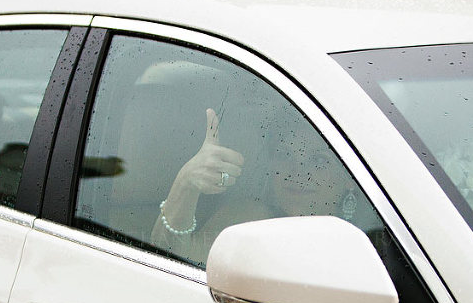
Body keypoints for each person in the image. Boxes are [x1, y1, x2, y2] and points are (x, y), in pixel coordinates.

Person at [151, 107, 356, 266]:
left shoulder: (369, 239)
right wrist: (186, 183)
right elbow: (170, 257)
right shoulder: (249, 221)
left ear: (349, 175)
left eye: (319, 160)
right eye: (285, 155)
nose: (298, 172)